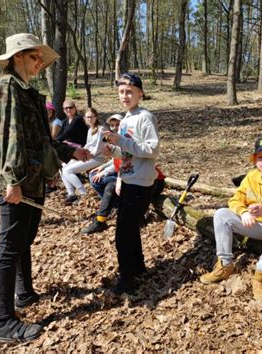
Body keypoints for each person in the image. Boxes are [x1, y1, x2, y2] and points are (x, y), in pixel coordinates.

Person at [0, 32, 91, 343]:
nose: (40, 63)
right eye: (35, 57)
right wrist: (11, 181)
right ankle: (3, 322)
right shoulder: (6, 88)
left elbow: (39, 140)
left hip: (33, 178)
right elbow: (4, 138)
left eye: (41, 59)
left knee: (24, 239)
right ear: (18, 56)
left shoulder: (26, 90)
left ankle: (24, 293)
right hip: (18, 181)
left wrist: (70, 151)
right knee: (9, 248)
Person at [199, 137, 262, 301]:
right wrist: (243, 212)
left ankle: (261, 274)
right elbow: (235, 199)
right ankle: (225, 264)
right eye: (260, 157)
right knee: (222, 214)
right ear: (254, 159)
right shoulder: (251, 176)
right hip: (255, 224)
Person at [103, 72, 160, 295]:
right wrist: (113, 150)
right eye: (121, 92)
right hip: (127, 178)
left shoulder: (145, 117)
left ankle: (127, 279)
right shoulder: (126, 119)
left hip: (141, 181)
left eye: (130, 92)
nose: (125, 96)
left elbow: (152, 150)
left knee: (123, 233)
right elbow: (128, 150)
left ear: (140, 94)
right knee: (130, 229)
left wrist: (122, 141)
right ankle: (138, 268)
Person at [61, 107, 107, 205]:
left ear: (96, 117)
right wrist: (82, 153)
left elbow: (100, 147)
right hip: (88, 155)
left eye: (91, 117)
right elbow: (88, 145)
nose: (89, 119)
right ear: (85, 119)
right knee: (63, 166)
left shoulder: (101, 128)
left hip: (97, 158)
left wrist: (87, 155)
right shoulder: (90, 129)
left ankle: (83, 194)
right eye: (87, 117)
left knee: (68, 170)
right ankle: (71, 194)